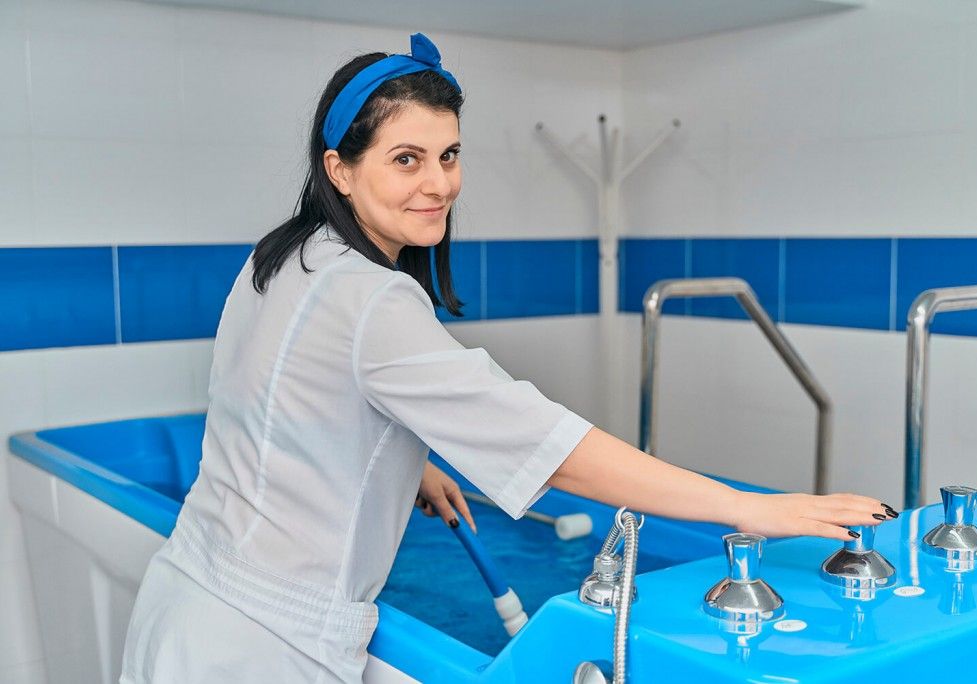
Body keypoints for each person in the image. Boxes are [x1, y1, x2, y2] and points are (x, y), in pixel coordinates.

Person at [119, 33, 895, 684]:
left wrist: (403, 459)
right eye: (406, 159)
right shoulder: (374, 300)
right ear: (340, 168)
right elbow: (551, 448)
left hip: (187, 606)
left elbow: (273, 401)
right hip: (260, 647)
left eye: (449, 154)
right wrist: (750, 508)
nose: (439, 184)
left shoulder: (286, 257)